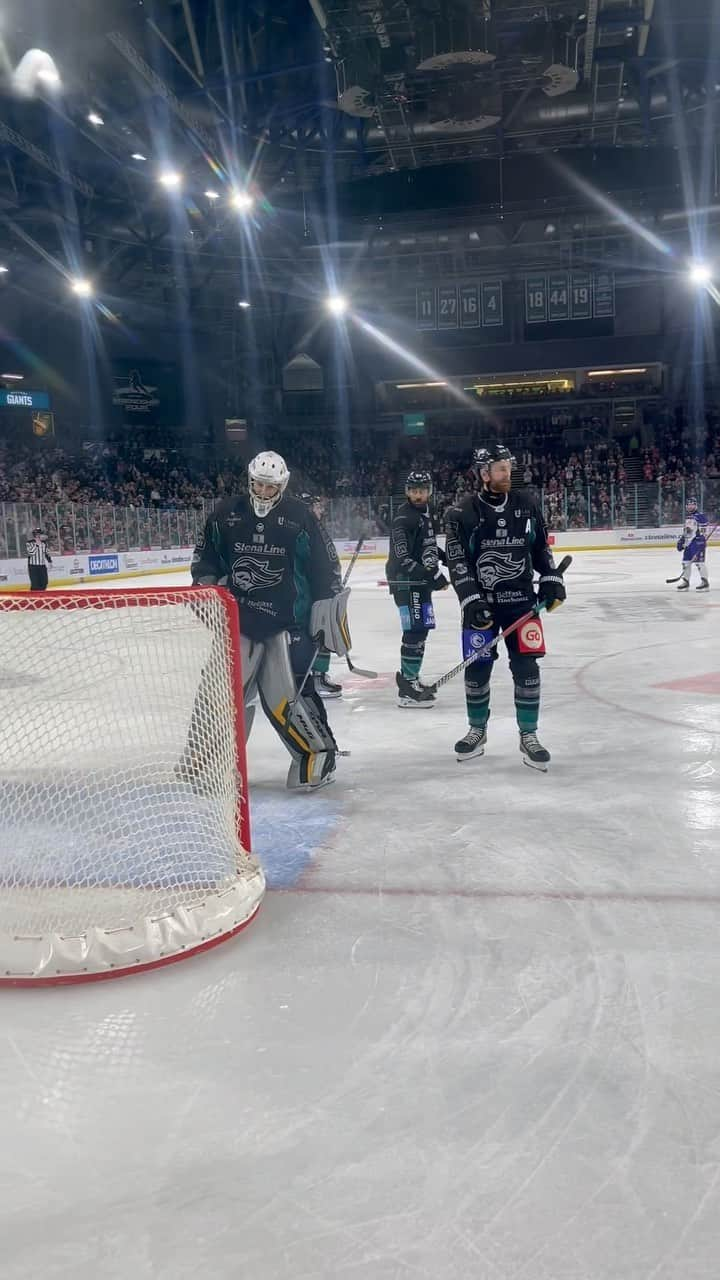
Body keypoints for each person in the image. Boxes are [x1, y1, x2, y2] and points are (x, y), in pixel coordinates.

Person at [190, 452, 350, 791]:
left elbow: (325, 566)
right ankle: (209, 760)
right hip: (240, 622)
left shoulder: (299, 517)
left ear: (283, 485)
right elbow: (205, 559)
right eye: (259, 484)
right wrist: (206, 588)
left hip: (289, 624)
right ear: (250, 481)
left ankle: (318, 753)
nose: (263, 491)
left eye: (270, 486)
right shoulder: (225, 514)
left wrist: (327, 610)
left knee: (288, 694)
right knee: (220, 692)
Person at [444, 445, 566, 770]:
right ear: (484, 474)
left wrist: (552, 577)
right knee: (477, 669)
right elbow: (457, 562)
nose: (506, 474)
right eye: (500, 469)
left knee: (527, 670)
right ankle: (476, 730)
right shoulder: (461, 513)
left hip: (523, 605)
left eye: (508, 468)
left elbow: (540, 547)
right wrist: (470, 599)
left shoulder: (526, 505)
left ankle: (529, 735)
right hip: (480, 606)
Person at [385, 470, 448, 708]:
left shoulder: (424, 515)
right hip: (406, 582)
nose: (418, 495)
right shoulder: (404, 518)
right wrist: (434, 576)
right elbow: (403, 558)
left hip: (419, 583)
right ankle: (407, 689)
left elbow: (428, 546)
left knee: (422, 629)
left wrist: (449, 559)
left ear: (429, 491)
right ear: (407, 492)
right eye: (414, 491)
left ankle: (412, 676)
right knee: (414, 630)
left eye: (422, 490)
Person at [299, 492, 343, 700]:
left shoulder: (316, 527)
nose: (321, 510)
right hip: (313, 593)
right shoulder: (304, 529)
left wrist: (334, 581)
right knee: (318, 635)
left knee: (325, 633)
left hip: (324, 590)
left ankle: (319, 676)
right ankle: (314, 678)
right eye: (317, 506)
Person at [677, 498, 710, 590]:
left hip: (697, 543)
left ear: (696, 505)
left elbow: (704, 530)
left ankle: (705, 582)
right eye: (688, 504)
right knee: (685, 563)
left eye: (692, 504)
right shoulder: (688, 517)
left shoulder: (700, 516)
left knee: (699, 563)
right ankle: (686, 582)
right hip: (688, 544)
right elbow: (687, 531)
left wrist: (701, 541)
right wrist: (682, 540)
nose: (690, 506)